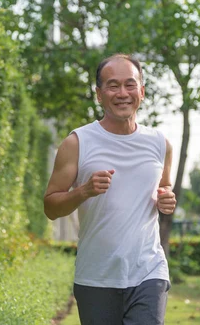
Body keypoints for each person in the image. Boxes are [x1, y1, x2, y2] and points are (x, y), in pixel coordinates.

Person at [44, 53, 177, 324]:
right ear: (99, 94)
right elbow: (50, 207)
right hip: (97, 276)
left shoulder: (160, 143)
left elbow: (164, 187)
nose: (123, 93)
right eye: (113, 85)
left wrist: (166, 198)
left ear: (142, 91)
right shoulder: (77, 142)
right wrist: (83, 191)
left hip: (148, 271)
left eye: (130, 84)